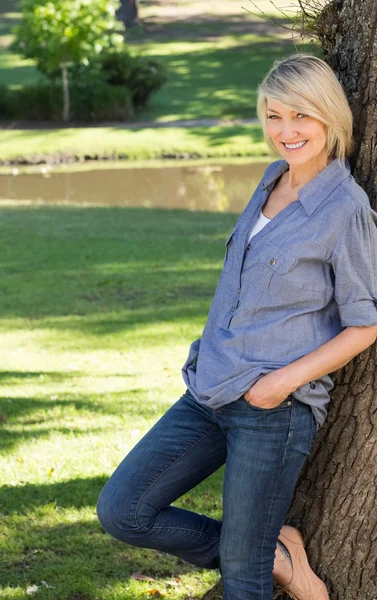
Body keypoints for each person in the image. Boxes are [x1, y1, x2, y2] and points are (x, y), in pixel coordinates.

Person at [96, 54, 377, 600]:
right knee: (123, 510)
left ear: (330, 118)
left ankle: (257, 557)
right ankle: (274, 552)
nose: (286, 131)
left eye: (301, 117)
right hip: (210, 390)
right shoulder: (271, 179)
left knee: (243, 583)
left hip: (274, 411)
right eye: (274, 117)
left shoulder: (346, 209)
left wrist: (278, 385)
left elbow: (364, 325)